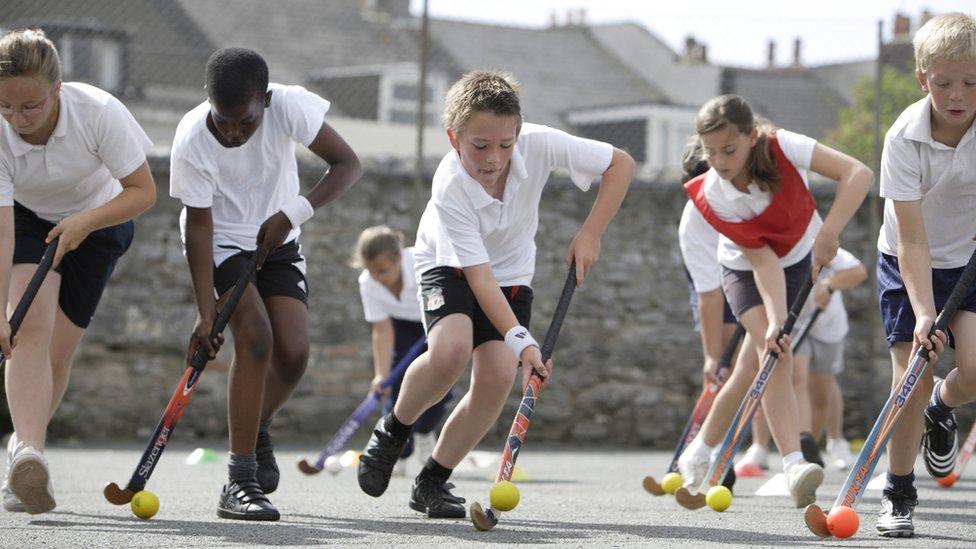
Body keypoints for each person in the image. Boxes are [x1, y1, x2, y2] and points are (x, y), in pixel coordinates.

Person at [357, 70, 634, 519]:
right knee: (451, 349)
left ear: (518, 133)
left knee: (496, 378)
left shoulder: (540, 143)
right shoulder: (450, 186)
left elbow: (619, 163)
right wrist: (524, 341)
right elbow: (477, 279)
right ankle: (394, 429)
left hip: (511, 269)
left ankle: (432, 480)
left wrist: (591, 234)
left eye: (506, 145)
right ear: (453, 138)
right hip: (448, 261)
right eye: (479, 146)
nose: (494, 158)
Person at [169, 47, 361, 521]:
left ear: (266, 101)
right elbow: (198, 225)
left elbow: (347, 164)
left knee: (293, 355)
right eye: (223, 121)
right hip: (222, 245)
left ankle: (256, 427)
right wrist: (205, 311)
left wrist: (294, 211)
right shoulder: (192, 137)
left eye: (245, 122)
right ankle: (239, 480)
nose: (233, 133)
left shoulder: (291, 106)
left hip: (279, 237)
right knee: (255, 340)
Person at [676, 93, 872, 509]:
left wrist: (829, 232)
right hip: (745, 270)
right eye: (711, 152)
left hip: (802, 256)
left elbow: (858, 173)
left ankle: (698, 451)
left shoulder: (784, 145)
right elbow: (762, 261)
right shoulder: (715, 193)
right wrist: (776, 324)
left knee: (752, 363)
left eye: (729, 149)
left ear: (751, 137)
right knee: (775, 350)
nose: (721, 162)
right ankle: (794, 463)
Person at [0, 28, 156, 515]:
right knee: (27, 330)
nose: (17, 118)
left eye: (30, 106)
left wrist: (84, 223)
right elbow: (2, 233)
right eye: (5, 105)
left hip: (101, 217)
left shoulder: (100, 112)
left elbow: (142, 192)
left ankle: (19, 454)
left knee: (58, 355)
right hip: (26, 219)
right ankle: (30, 454)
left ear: (57, 90)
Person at [873, 12, 976, 537]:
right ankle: (898, 490)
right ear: (922, 80)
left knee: (975, 372)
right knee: (908, 377)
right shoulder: (903, 138)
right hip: (906, 260)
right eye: (943, 83)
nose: (957, 95)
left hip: (969, 261)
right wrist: (922, 313)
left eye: (971, 82)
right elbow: (911, 237)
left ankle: (944, 403)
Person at [736, 248, 866, 473]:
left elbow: (858, 272)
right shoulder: (774, 248)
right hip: (793, 322)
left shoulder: (817, 243)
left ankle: (825, 443)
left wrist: (829, 285)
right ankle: (794, 446)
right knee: (795, 376)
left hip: (828, 326)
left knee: (823, 389)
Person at [352, 225, 454, 475]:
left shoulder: (420, 263)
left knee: (441, 383)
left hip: (433, 319)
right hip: (400, 328)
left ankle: (424, 430)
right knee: (396, 388)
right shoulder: (368, 282)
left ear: (398, 258)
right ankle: (397, 452)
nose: (376, 278)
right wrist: (381, 375)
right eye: (371, 271)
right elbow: (382, 330)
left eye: (383, 271)